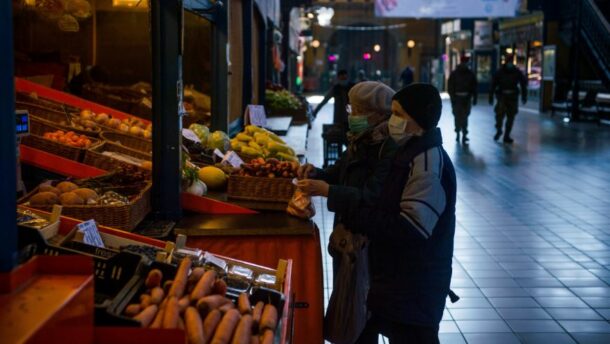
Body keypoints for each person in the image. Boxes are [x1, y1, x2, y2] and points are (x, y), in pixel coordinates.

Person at [334, 83, 456, 344]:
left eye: (399, 115)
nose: (393, 121)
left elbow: (410, 227)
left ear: (418, 120)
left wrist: (358, 216)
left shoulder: (428, 163)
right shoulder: (407, 152)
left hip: (415, 286)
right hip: (394, 282)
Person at [489, 54, 528, 143]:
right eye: (508, 61)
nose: (510, 63)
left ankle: (506, 135)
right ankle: (499, 129)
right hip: (502, 97)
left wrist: (524, 96)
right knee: (499, 116)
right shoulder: (499, 72)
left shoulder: (516, 71)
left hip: (512, 97)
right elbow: (493, 84)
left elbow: (523, 84)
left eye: (511, 61)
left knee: (511, 117)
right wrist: (490, 96)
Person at [448, 55, 478, 144]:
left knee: (465, 116)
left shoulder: (470, 74)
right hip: (457, 98)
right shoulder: (454, 73)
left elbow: (474, 86)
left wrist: (474, 97)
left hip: (466, 98)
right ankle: (458, 132)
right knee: (457, 116)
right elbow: (451, 86)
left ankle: (464, 134)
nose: (465, 64)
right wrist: (452, 98)